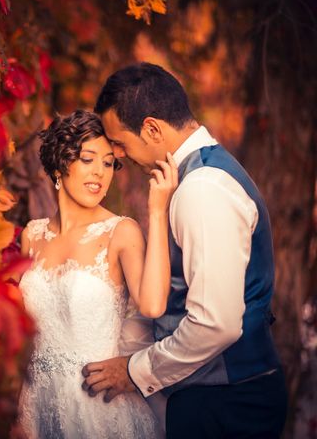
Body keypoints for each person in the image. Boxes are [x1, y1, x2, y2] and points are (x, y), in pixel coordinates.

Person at [82, 63, 287, 438]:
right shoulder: (196, 176)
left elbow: (215, 324)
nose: (119, 157)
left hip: (226, 404)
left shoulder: (202, 189)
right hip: (217, 398)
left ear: (152, 129)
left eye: (120, 143)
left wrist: (134, 370)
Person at [16, 109, 177, 438]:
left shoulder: (122, 232)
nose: (100, 173)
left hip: (98, 410)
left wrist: (157, 210)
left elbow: (153, 305)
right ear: (61, 164)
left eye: (108, 163)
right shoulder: (30, 235)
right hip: (36, 405)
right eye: (88, 159)